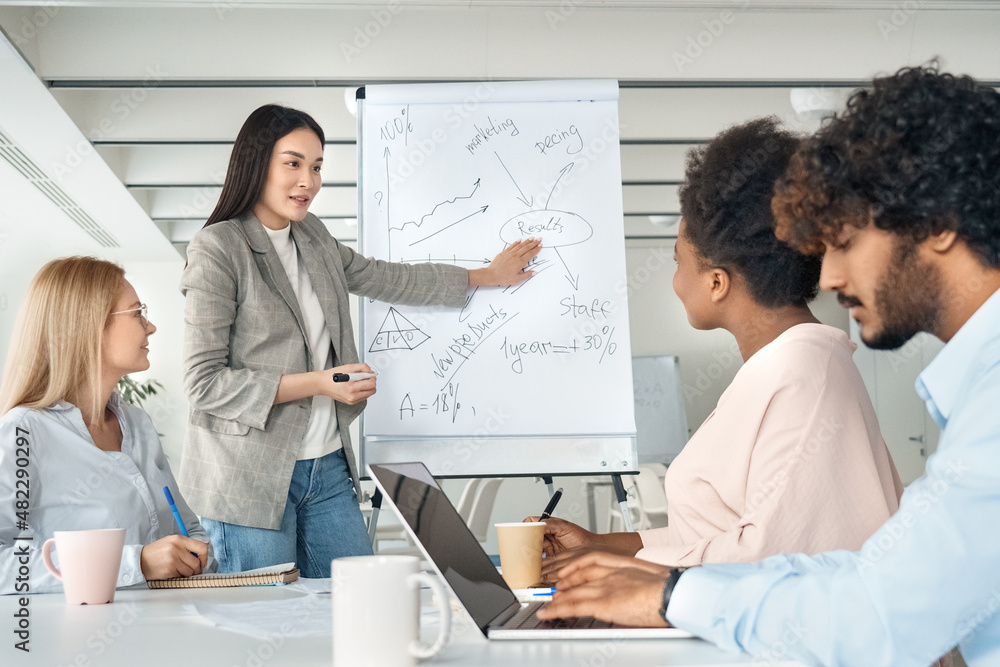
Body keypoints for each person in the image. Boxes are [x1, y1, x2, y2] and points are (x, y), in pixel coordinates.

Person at [537, 64, 1000, 667]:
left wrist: (667, 592)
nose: (829, 277)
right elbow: (862, 571)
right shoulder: (974, 397)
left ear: (936, 225)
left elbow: (877, 611)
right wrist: (642, 572)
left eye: (846, 242)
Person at [531, 118, 901, 581]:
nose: (675, 283)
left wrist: (611, 567)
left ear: (717, 282)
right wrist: (600, 546)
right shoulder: (779, 366)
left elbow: (767, 555)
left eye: (677, 262)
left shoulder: (802, 373)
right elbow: (720, 533)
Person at [179, 104, 541, 577]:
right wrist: (320, 383)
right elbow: (204, 384)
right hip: (248, 475)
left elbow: (384, 277)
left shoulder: (313, 237)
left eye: (316, 166)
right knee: (272, 626)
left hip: (326, 465)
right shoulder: (218, 247)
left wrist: (484, 276)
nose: (307, 180)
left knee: (354, 604)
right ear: (256, 163)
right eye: (292, 163)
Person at [0, 256, 213, 594]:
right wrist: (135, 564)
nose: (150, 326)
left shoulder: (138, 424)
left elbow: (187, 528)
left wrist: (195, 554)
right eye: (137, 312)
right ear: (88, 326)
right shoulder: (22, 434)